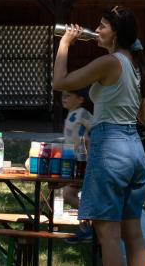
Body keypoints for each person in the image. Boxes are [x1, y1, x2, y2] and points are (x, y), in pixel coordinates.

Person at [52, 6, 145, 266]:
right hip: (135, 149)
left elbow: (60, 82)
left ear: (116, 33)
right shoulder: (135, 64)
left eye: (102, 26)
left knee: (108, 236)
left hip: (111, 148)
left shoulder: (110, 62)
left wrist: (65, 43)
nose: (96, 31)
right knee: (134, 234)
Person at [61, 87, 93, 242]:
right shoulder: (70, 115)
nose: (64, 98)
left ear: (80, 99)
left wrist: (90, 144)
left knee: (69, 193)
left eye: (68, 95)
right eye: (63, 95)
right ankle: (88, 228)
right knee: (70, 194)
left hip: (83, 162)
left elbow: (97, 128)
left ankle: (89, 227)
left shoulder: (82, 113)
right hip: (72, 162)